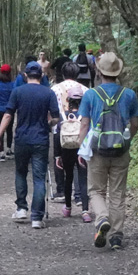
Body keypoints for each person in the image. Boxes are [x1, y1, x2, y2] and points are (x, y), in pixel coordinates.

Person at [77, 52, 138, 250]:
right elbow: (135, 123)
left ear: (99, 70)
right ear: (118, 72)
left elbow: (84, 124)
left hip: (97, 151)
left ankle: (102, 218)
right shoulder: (129, 94)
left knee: (96, 190)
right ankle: (116, 236)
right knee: (117, 193)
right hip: (121, 151)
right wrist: (125, 140)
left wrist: (82, 149)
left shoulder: (91, 95)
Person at [0, 61, 60, 229]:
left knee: (21, 173)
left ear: (25, 75)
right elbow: (56, 118)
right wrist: (48, 125)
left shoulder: (17, 91)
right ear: (42, 75)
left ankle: (21, 209)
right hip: (41, 140)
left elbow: (8, 116)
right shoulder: (48, 93)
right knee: (39, 178)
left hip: (22, 139)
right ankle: (37, 217)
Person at [52, 61, 90, 221]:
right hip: (82, 138)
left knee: (67, 174)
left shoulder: (55, 89)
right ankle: (83, 203)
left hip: (62, 134)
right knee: (82, 174)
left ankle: (65, 200)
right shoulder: (86, 91)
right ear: (77, 73)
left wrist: (56, 155)